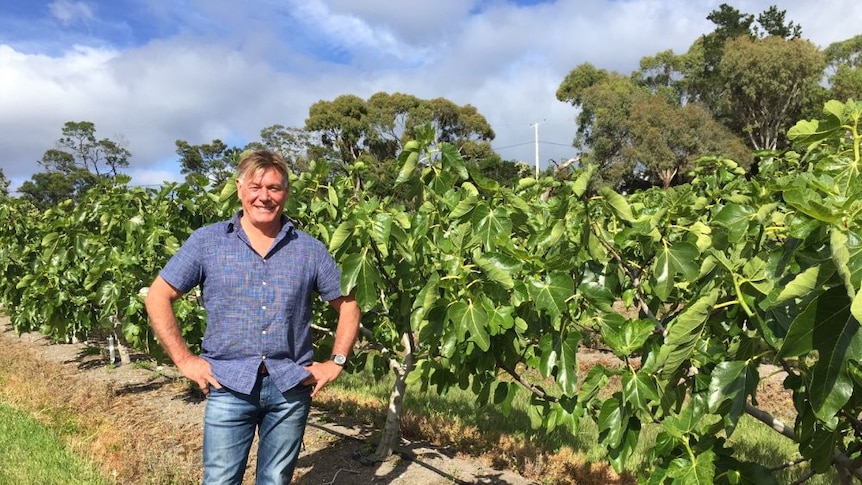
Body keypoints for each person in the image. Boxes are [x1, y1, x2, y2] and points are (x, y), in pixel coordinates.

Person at [145, 149, 361, 484]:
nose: (264, 196)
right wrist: (185, 360)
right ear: (239, 188)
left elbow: (348, 304)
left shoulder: (309, 249)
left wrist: (336, 361)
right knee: (220, 480)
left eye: (274, 188)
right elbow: (159, 295)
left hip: (290, 386)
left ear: (285, 193)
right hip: (228, 383)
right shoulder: (208, 242)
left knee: (275, 480)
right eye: (256, 186)